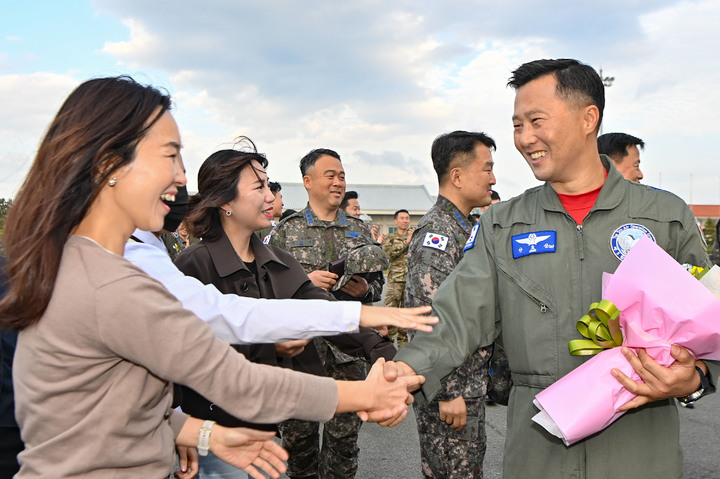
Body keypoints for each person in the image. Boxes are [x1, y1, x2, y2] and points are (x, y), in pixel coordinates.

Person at [0, 76, 424, 478]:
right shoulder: (111, 282)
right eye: (170, 155)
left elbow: (106, 412)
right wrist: (367, 395)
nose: (182, 178)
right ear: (111, 163)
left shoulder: (87, 262)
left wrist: (204, 434)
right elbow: (236, 376)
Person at [386, 59, 715, 478]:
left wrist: (695, 379)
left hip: (641, 445)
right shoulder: (502, 225)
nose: (524, 139)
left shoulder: (665, 217)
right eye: (517, 125)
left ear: (587, 118)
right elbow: (455, 318)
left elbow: (708, 325)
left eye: (536, 121)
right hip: (538, 448)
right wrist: (403, 369)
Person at [174, 145, 397, 478]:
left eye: (268, 185)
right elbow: (183, 353)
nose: (271, 196)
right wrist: (270, 347)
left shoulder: (278, 262)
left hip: (262, 430)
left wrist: (384, 353)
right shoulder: (193, 265)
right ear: (225, 201)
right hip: (213, 438)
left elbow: (325, 311)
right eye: (259, 187)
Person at [269, 149, 389, 479]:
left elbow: (378, 287)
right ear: (307, 182)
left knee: (344, 443)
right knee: (299, 443)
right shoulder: (284, 233)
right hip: (301, 352)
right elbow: (268, 291)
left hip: (348, 354)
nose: (338, 182)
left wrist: (364, 291)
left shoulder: (360, 231)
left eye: (341, 176)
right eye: (330, 175)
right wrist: (304, 283)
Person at [404, 131, 502, 479]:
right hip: (449, 387)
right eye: (487, 168)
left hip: (466, 383)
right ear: (457, 176)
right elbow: (428, 316)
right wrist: (448, 391)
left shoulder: (466, 227)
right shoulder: (439, 234)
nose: (493, 177)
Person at [382, 209, 414, 347]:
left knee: (407, 314)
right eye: (402, 218)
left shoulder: (414, 236)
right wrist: (407, 241)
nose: (405, 221)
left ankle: (404, 348)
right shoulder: (391, 238)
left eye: (407, 218)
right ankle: (386, 345)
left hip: (410, 281)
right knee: (391, 312)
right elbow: (390, 254)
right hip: (396, 280)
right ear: (396, 221)